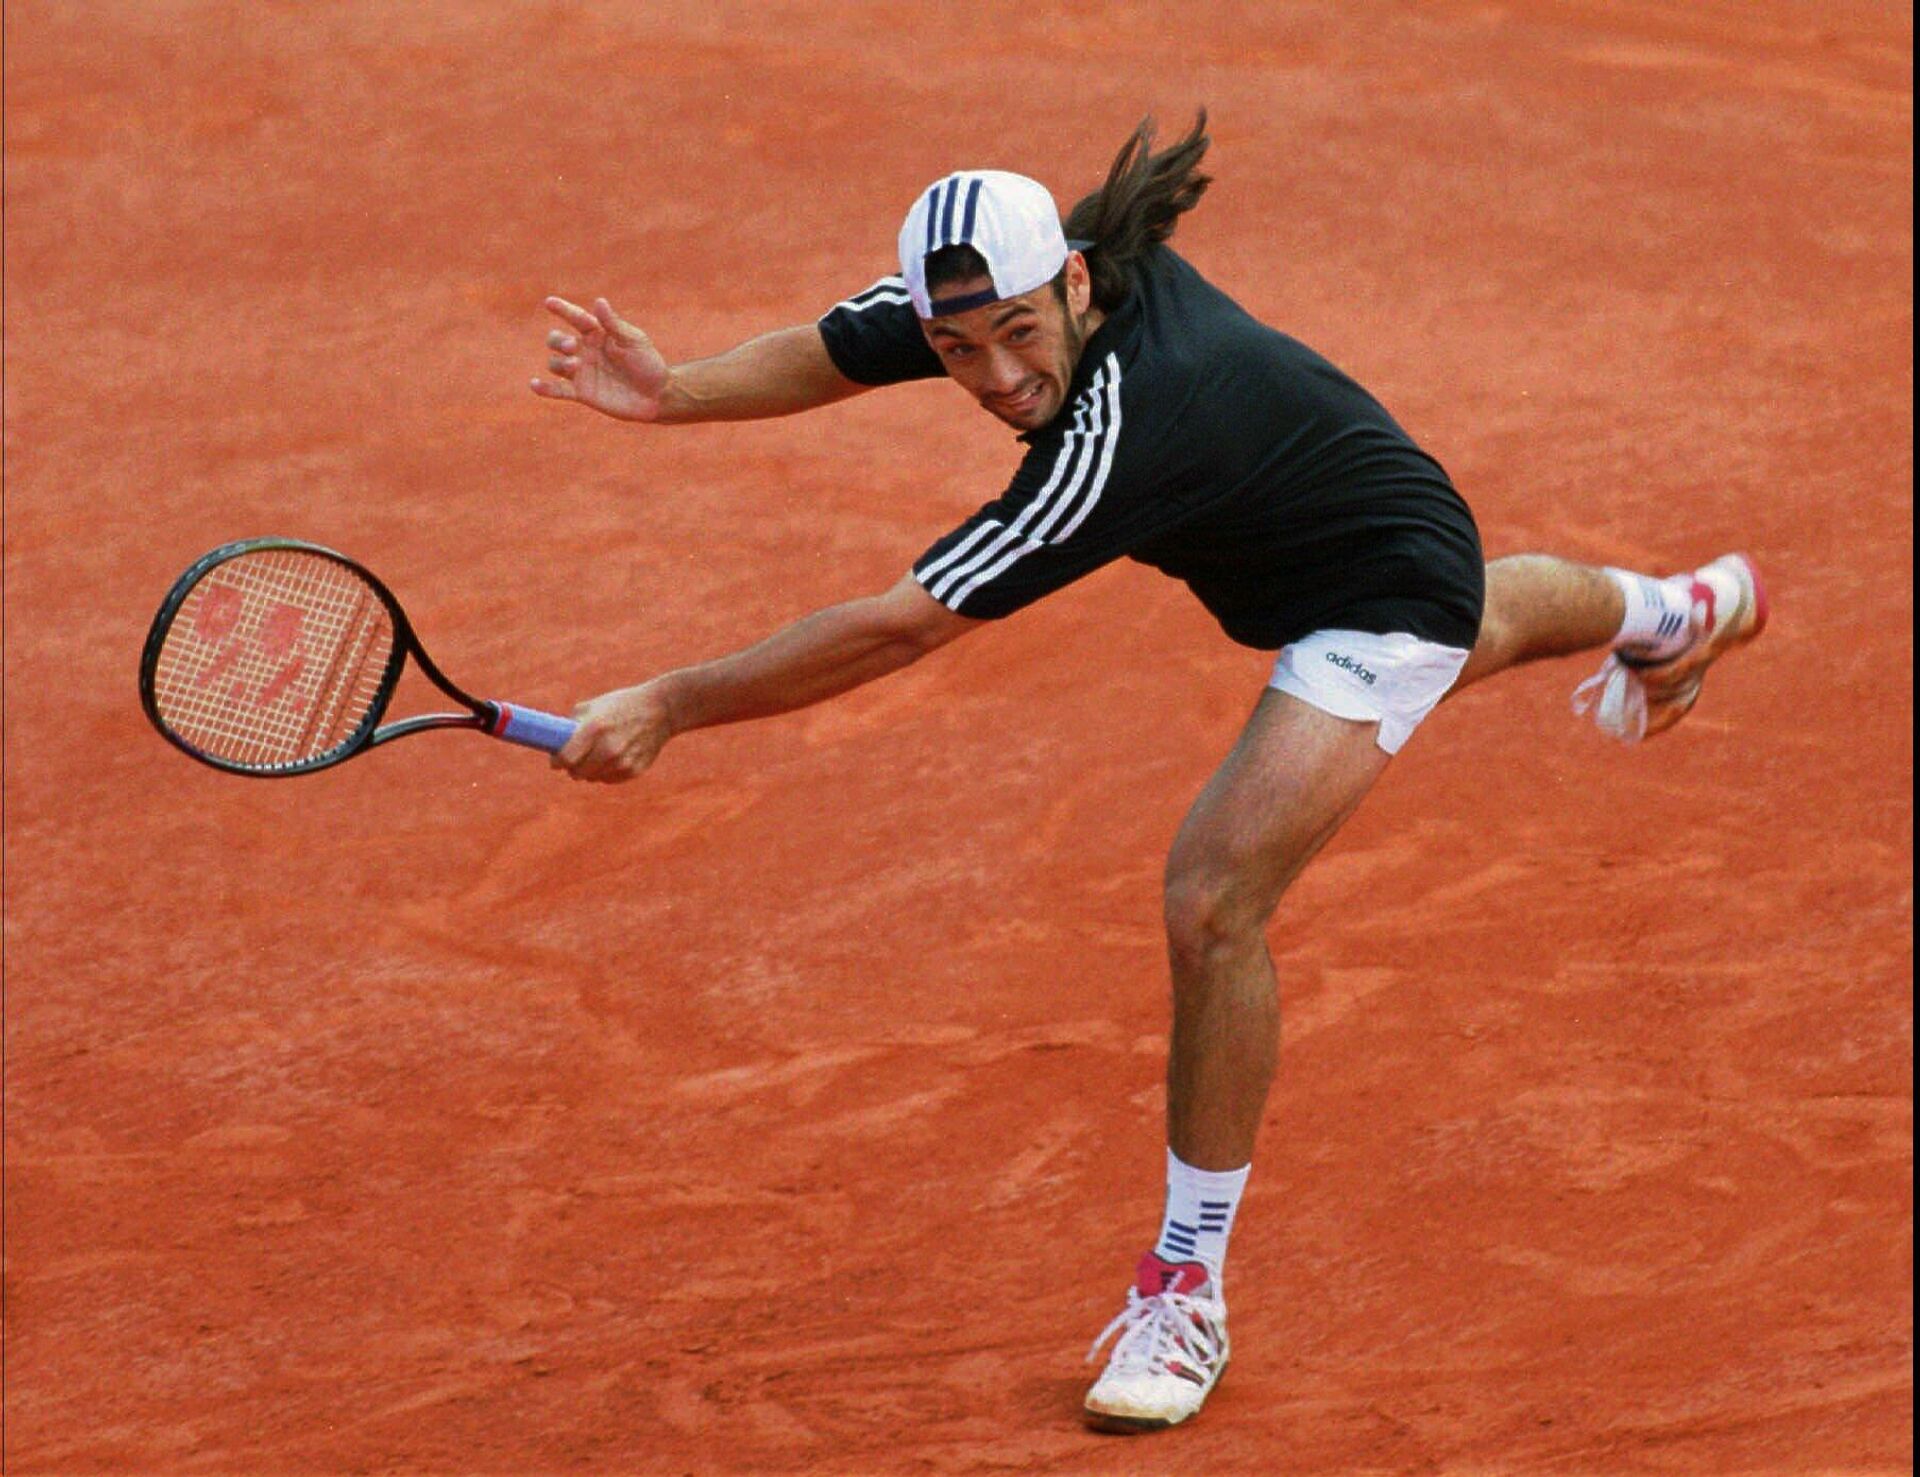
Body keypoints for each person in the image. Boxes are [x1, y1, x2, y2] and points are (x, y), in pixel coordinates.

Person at [529, 113, 1766, 1433]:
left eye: (1015, 335)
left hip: (1374, 590)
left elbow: (904, 623)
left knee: (1214, 897)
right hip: (1328, 524)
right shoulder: (989, 275)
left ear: (1071, 280)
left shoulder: (1118, 427)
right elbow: (837, 352)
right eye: (958, 349)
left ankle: (1187, 1284)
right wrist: (675, 393)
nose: (995, 376)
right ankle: (1675, 613)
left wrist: (669, 701)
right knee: (1484, 614)